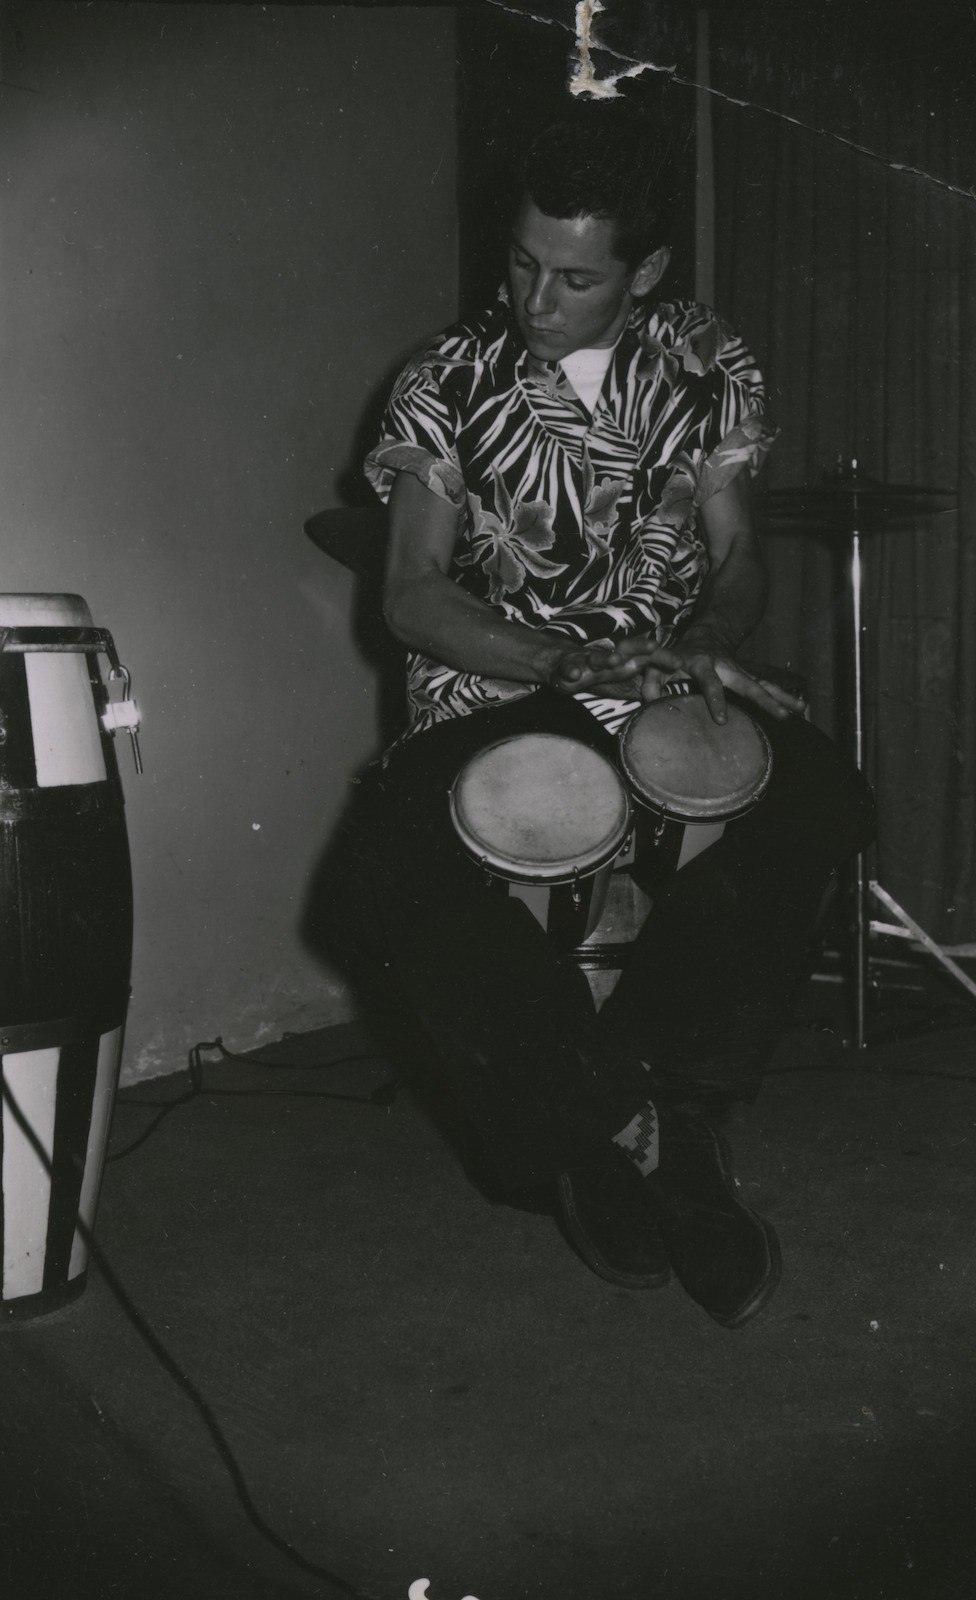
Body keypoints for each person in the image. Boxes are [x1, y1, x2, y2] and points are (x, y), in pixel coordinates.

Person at [311, 105, 874, 1330]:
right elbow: (411, 594)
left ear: (648, 273)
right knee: (383, 869)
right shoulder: (444, 381)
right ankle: (624, 1126)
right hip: (501, 685)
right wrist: (561, 660)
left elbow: (735, 561)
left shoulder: (713, 365)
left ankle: (663, 1101)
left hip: (664, 676)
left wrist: (706, 650)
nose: (534, 295)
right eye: (520, 261)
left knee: (825, 793)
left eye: (574, 277)